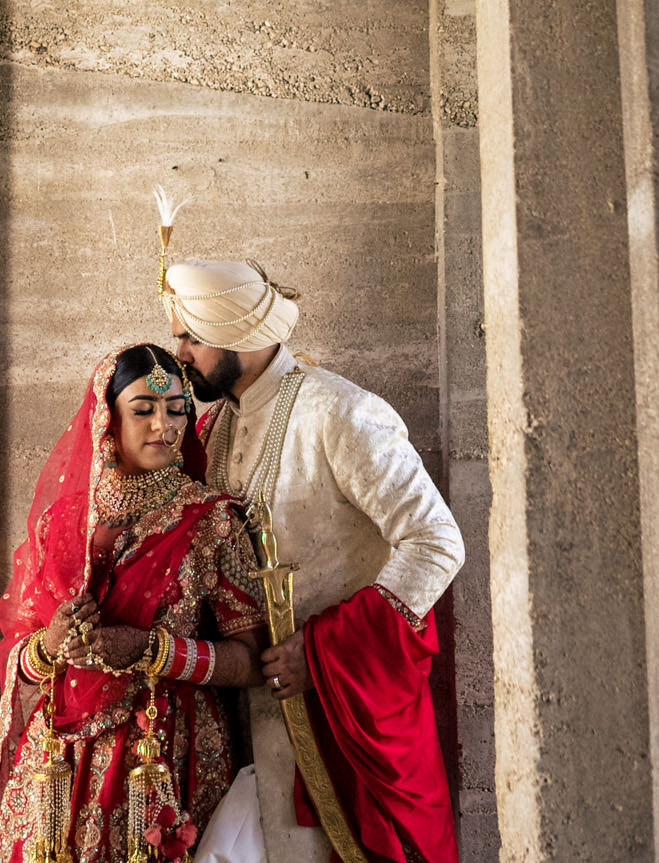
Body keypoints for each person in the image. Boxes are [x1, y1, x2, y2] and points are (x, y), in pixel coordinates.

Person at [161, 257, 466, 863]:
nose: (180, 353)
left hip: (347, 715)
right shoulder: (217, 426)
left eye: (191, 336)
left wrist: (324, 649)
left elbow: (436, 542)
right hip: (250, 721)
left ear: (236, 335)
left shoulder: (338, 411)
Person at [0, 343, 266, 863]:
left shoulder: (212, 522)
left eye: (177, 409)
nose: (164, 426)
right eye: (143, 410)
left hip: (162, 755)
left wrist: (153, 650)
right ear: (108, 417)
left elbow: (248, 659)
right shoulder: (57, 524)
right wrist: (48, 645)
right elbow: (20, 650)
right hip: (55, 766)